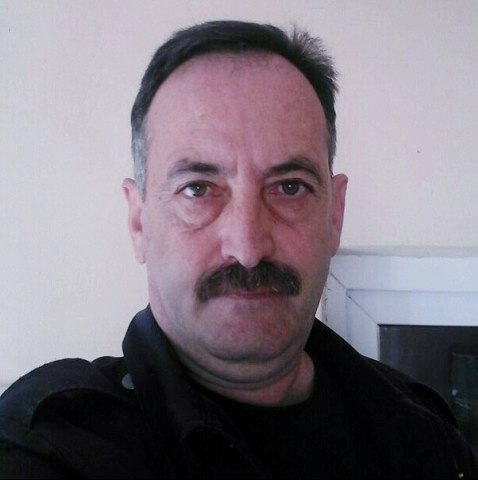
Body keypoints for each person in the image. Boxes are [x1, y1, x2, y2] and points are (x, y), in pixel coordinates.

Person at [0, 20, 477, 479]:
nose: (248, 248)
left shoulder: (422, 431)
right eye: (197, 189)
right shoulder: (51, 444)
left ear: (335, 215)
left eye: (290, 187)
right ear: (139, 221)